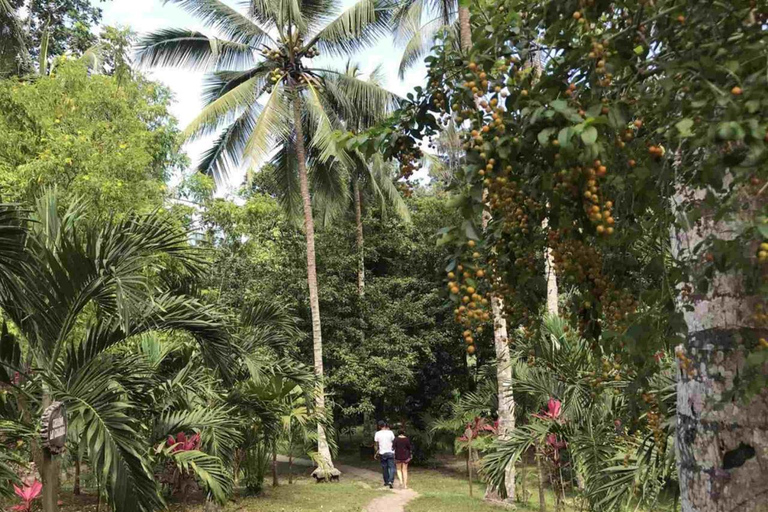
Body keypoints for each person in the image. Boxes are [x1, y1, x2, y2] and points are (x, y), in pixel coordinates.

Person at [373, 420, 395, 489]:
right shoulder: (390, 432)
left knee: (384, 468)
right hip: (391, 452)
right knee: (391, 467)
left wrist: (376, 452)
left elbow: (376, 444)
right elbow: (393, 441)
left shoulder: (377, 433)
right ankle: (391, 481)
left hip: (382, 453)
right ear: (385, 425)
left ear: (379, 426)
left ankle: (386, 482)